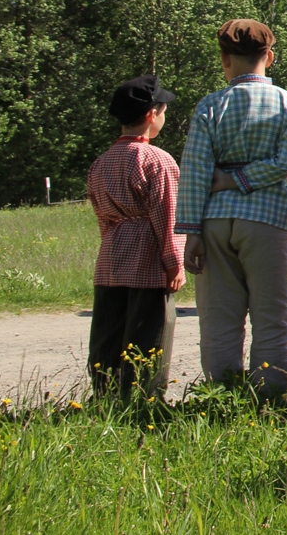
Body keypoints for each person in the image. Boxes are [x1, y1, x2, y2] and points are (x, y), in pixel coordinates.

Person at [176, 20, 287, 395]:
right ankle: (271, 393)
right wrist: (243, 179)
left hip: (214, 221)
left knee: (218, 317)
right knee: (270, 315)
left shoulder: (210, 106)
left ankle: (222, 394)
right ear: (270, 56)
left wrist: (191, 231)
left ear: (224, 59)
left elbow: (194, 170)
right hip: (266, 219)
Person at [87, 75, 185, 398]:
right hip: (147, 257)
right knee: (149, 332)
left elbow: (102, 217)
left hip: (111, 257)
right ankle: (144, 400)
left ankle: (104, 397)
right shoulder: (157, 160)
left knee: (108, 333)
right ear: (150, 114)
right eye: (163, 111)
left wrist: (113, 243)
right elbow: (167, 216)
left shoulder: (100, 163)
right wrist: (173, 261)